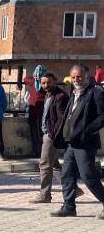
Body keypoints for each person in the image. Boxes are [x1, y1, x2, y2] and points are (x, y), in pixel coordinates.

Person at [50, 65, 104, 219]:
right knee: (67, 174)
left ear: (86, 76)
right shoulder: (73, 93)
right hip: (71, 143)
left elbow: (102, 116)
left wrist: (88, 130)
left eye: (79, 77)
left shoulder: (96, 92)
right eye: (73, 77)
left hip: (85, 143)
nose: (76, 80)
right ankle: (69, 206)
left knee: (88, 176)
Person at [29, 73, 69, 203]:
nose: (46, 85)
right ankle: (72, 188)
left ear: (55, 81)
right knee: (54, 165)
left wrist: (52, 134)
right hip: (47, 133)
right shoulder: (48, 95)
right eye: (43, 83)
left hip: (52, 136)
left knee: (44, 164)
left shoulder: (60, 96)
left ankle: (45, 194)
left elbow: (62, 119)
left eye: (48, 82)